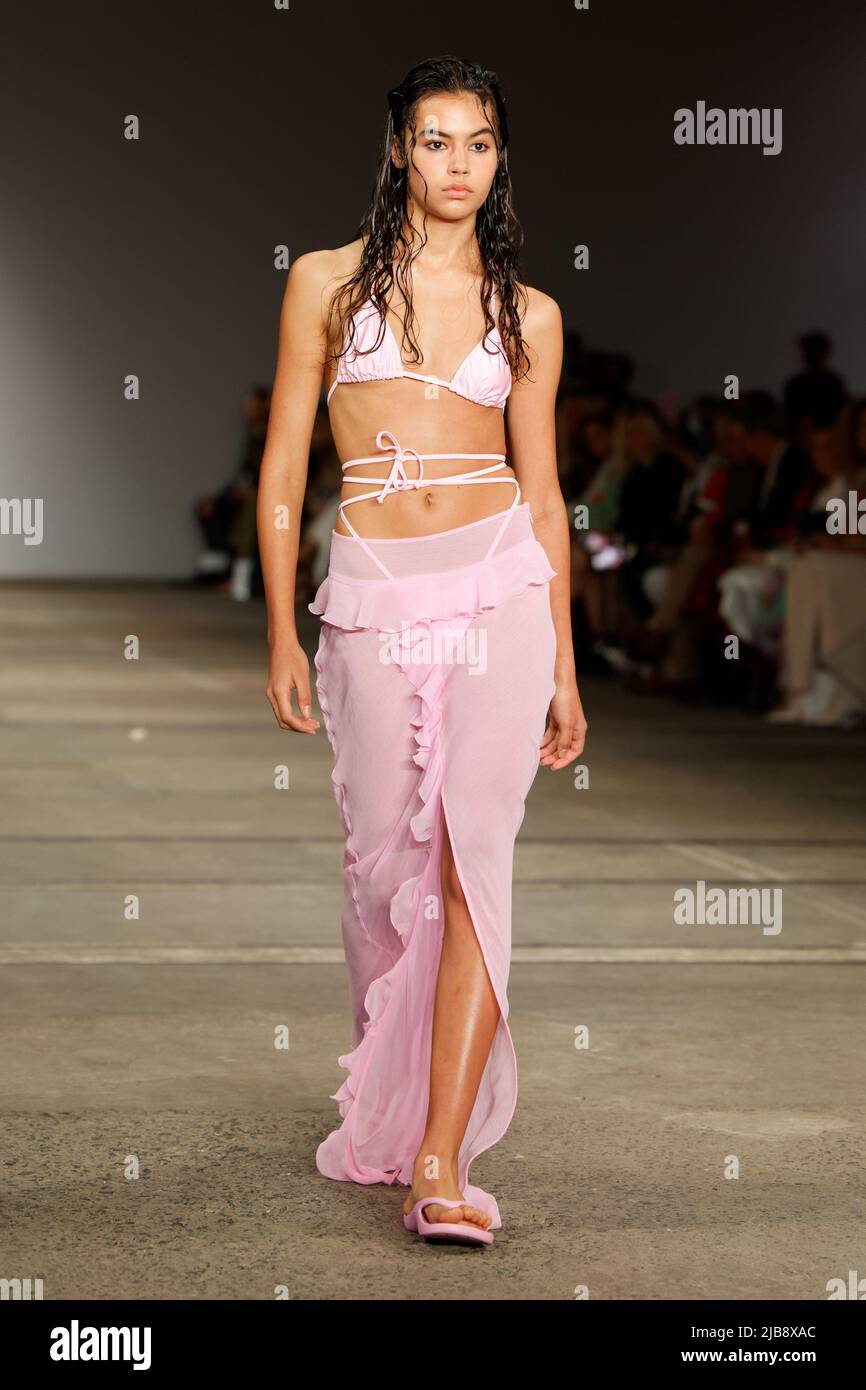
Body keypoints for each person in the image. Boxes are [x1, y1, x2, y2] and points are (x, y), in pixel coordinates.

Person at [256, 56, 586, 1246]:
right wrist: (279, 626)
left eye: (480, 142)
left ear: (499, 159)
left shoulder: (528, 311)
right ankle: (397, 1103)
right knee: (385, 874)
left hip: (500, 580)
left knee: (473, 863)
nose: (458, 163)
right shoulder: (326, 286)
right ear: (398, 148)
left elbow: (544, 496)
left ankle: (441, 1159)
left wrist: (561, 656)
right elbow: (287, 464)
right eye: (436, 139)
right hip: (373, 592)